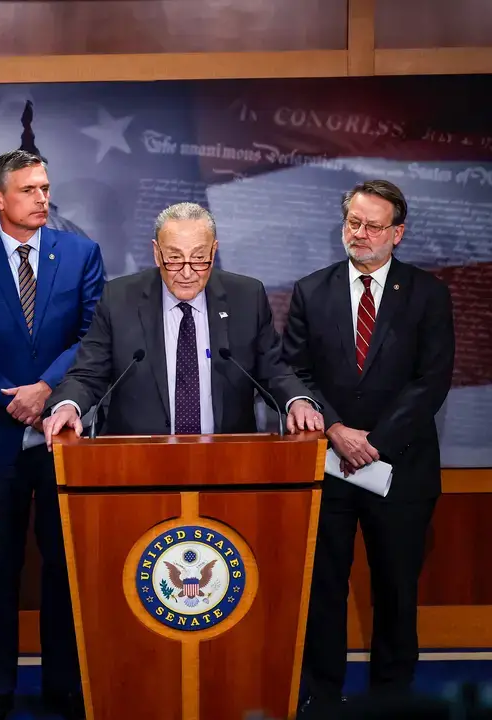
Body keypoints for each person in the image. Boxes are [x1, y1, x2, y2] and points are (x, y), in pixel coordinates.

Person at [0, 149, 105, 720]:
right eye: (30, 189)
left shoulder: (81, 254)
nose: (43, 198)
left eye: (46, 188)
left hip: (64, 435)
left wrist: (46, 390)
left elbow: (93, 335)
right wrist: (14, 397)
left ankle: (66, 681)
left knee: (66, 566)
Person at [281, 180, 455, 717]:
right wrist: (335, 430)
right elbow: (294, 369)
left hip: (400, 469)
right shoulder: (312, 290)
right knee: (323, 592)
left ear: (397, 234)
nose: (360, 234)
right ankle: (322, 696)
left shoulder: (427, 293)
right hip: (328, 467)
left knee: (396, 595)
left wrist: (374, 444)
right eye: (353, 222)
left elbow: (432, 380)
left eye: (373, 225)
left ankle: (391, 699)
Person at [43, 201, 323, 443]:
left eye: (199, 258)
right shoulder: (119, 298)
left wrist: (297, 400)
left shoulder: (246, 297)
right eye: (174, 258)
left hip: (228, 460)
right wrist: (69, 406)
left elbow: (274, 370)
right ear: (156, 252)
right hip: (136, 463)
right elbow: (88, 373)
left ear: (214, 252)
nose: (187, 272)